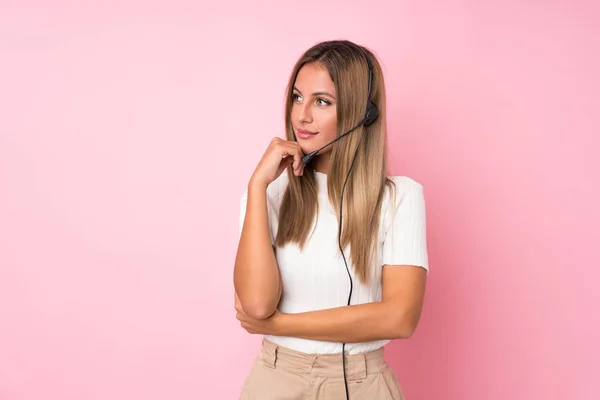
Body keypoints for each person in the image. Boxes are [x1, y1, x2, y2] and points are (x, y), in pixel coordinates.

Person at [233, 39, 429, 400]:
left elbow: (400, 318)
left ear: (360, 114)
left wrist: (280, 324)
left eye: (321, 102)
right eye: (296, 97)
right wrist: (257, 185)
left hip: (361, 382)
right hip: (275, 379)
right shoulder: (268, 194)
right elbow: (257, 305)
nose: (301, 115)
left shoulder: (399, 198)